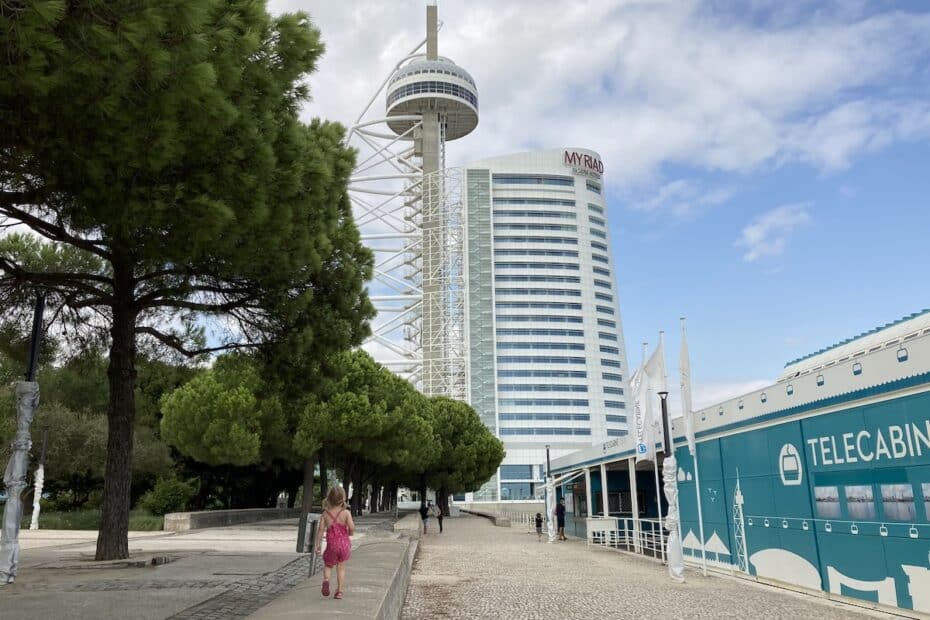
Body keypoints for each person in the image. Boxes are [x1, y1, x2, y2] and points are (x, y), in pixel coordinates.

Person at [316, 485, 355, 600]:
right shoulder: (346, 513)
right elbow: (352, 527)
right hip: (344, 545)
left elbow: (320, 531)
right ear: (343, 498)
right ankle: (339, 591)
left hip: (331, 545)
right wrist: (350, 533)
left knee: (328, 565)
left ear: (329, 498)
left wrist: (318, 545)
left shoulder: (325, 514)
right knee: (341, 568)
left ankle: (326, 580)